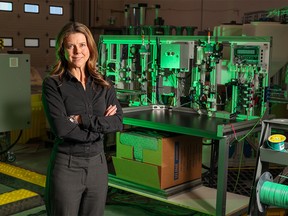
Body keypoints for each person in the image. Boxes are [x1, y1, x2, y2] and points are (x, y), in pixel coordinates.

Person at [42, 22, 123, 216]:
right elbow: (62, 129)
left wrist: (81, 120)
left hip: (98, 165)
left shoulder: (103, 82)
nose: (78, 51)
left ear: (90, 48)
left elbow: (118, 122)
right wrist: (100, 125)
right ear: (63, 50)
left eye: (83, 45)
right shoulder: (53, 84)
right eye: (71, 46)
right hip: (67, 166)